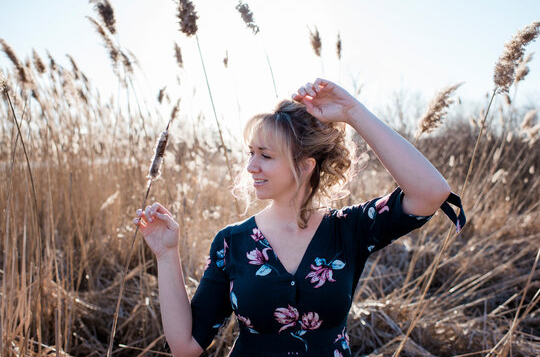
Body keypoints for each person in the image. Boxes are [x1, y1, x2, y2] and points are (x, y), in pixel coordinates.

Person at [133, 78, 465, 357]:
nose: (251, 167)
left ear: (305, 166)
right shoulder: (232, 242)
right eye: (250, 153)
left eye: (265, 155)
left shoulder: (349, 230)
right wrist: (166, 254)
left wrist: (353, 112)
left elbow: (430, 193)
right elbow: (185, 346)